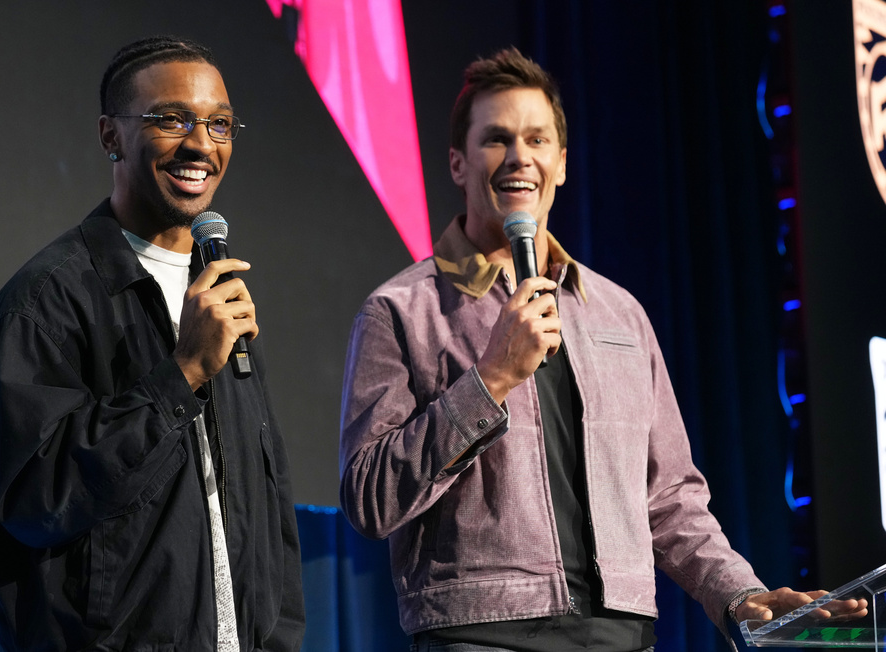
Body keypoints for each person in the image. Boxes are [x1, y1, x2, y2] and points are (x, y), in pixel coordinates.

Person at [338, 47, 863, 651]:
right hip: (481, 633)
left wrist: (738, 595)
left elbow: (670, 498)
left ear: (561, 164)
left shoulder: (619, 314)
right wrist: (490, 379)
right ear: (457, 164)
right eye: (496, 139)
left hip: (621, 633)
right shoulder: (401, 310)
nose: (518, 158)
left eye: (537, 140)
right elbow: (368, 498)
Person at [0, 36, 304, 651]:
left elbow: (267, 501)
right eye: (170, 119)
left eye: (220, 124)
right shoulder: (47, 300)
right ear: (110, 136)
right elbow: (34, 499)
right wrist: (179, 376)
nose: (201, 144)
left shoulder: (220, 291)